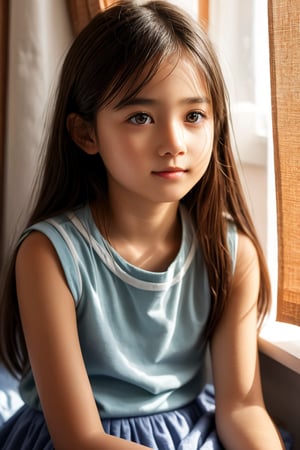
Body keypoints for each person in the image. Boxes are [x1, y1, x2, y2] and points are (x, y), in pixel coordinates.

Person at [0, 1, 289, 449]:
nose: (173, 143)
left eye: (193, 116)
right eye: (140, 118)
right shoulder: (48, 256)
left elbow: (241, 408)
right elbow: (79, 436)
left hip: (191, 433)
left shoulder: (233, 254)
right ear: (86, 134)